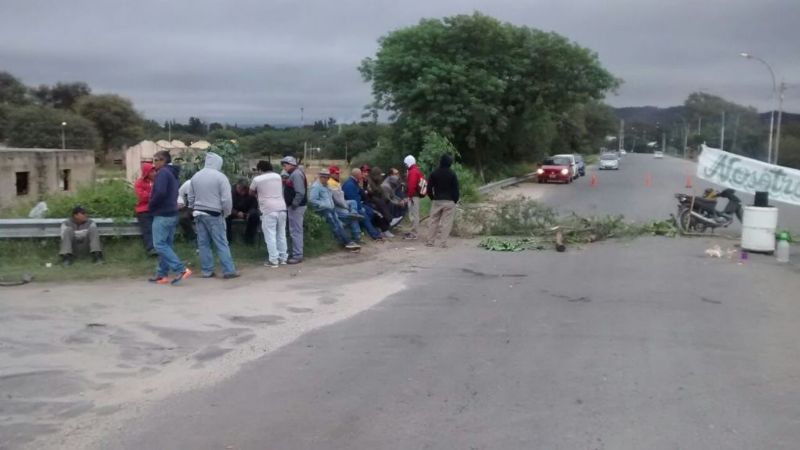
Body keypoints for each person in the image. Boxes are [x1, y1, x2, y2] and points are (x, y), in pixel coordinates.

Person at [188, 152, 239, 279]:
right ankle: (228, 270)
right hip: (214, 214)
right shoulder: (220, 177)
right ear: (218, 163)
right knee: (221, 243)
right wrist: (226, 213)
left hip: (198, 213)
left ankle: (207, 271)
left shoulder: (196, 176)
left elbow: (190, 196)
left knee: (203, 244)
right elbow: (226, 199)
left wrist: (193, 207)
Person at [148, 150, 191, 285]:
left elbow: (160, 192)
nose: (153, 163)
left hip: (162, 213)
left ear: (163, 161)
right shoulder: (172, 173)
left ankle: (181, 269)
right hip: (172, 213)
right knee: (166, 245)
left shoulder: (162, 174)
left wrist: (151, 204)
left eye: (155, 160)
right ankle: (162, 274)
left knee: (159, 245)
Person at [309, 168, 361, 250]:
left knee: (339, 223)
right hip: (322, 210)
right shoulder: (316, 187)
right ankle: (347, 242)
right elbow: (312, 200)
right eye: (323, 177)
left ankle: (349, 240)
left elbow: (331, 198)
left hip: (331, 209)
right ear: (320, 176)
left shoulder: (327, 186)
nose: (325, 179)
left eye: (327, 177)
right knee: (335, 224)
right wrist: (324, 205)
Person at [250, 161, 288, 268]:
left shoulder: (257, 179)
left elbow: (251, 191)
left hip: (268, 209)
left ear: (260, 169)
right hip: (281, 207)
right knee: (281, 234)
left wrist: (259, 195)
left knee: (270, 234)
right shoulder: (278, 176)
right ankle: (283, 258)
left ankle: (273, 260)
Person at [426, 154, 460, 248]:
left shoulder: (434, 173)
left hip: (437, 200)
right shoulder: (452, 173)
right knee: (446, 223)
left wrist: (432, 197)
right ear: (450, 163)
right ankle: (443, 243)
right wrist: (455, 200)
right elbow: (456, 189)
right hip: (449, 201)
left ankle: (430, 241)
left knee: (433, 221)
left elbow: (429, 188)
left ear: (441, 161)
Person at [342, 168, 383, 241]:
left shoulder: (355, 183)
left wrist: (365, 184)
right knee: (364, 215)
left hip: (359, 204)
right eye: (361, 174)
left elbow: (362, 193)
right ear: (357, 175)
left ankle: (366, 230)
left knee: (371, 211)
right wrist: (361, 207)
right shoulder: (350, 185)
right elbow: (353, 199)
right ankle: (374, 234)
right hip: (351, 206)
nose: (362, 176)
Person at [281, 156, 307, 264]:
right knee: (295, 230)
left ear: (291, 164)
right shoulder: (295, 173)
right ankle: (297, 252)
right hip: (297, 206)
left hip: (297, 207)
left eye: (285, 165)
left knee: (295, 231)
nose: (284, 167)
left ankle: (297, 255)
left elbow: (300, 192)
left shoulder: (296, 174)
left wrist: (294, 204)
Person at [133, 162, 157, 255]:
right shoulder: (139, 182)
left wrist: (150, 195)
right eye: (151, 172)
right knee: (147, 229)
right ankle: (150, 249)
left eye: (154, 171)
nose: (154, 173)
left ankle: (160, 247)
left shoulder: (157, 181)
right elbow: (141, 197)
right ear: (146, 173)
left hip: (156, 209)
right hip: (143, 210)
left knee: (158, 228)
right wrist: (153, 195)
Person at [365, 166, 395, 238]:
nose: (381, 177)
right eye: (379, 175)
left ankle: (389, 220)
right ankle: (386, 226)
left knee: (387, 203)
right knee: (380, 209)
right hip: (370, 201)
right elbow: (370, 193)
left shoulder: (377, 183)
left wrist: (386, 199)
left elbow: (381, 192)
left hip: (377, 200)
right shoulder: (369, 182)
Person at [227, 179, 260, 244]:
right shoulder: (230, 192)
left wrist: (249, 213)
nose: (243, 192)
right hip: (233, 212)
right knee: (226, 215)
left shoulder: (250, 193)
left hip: (246, 212)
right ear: (237, 186)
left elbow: (254, 205)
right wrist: (236, 213)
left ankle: (249, 239)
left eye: (244, 191)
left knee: (255, 215)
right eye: (241, 190)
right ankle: (228, 239)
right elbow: (226, 206)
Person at [404, 155, 424, 240]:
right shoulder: (416, 170)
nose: (405, 165)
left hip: (413, 196)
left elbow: (411, 185)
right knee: (414, 214)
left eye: (406, 163)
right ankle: (413, 231)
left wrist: (409, 196)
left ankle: (414, 233)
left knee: (414, 214)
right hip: (415, 195)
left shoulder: (412, 172)